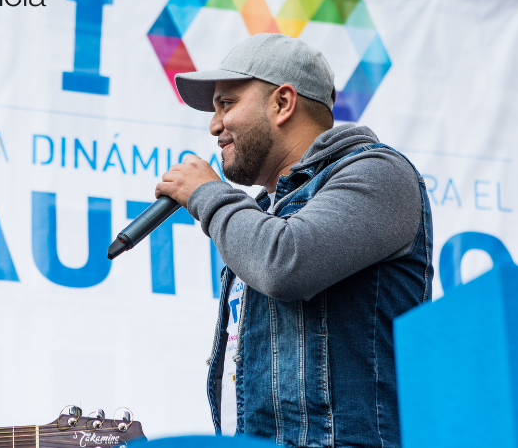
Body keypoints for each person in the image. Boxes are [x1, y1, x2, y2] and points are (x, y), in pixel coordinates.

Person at [156, 33, 433, 447]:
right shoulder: (262, 216)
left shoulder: (379, 172)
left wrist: (207, 193)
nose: (214, 125)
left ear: (283, 103)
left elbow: (285, 264)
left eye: (226, 104)